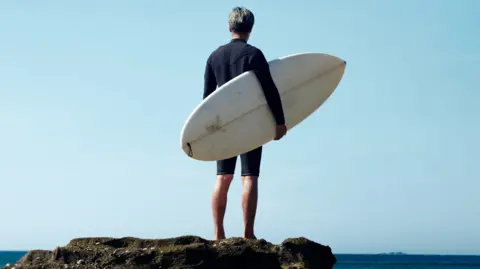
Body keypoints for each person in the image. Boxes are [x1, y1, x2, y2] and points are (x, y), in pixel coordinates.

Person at [203, 6, 287, 240]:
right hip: (249, 123)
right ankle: (248, 234)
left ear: (229, 27)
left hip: (224, 125)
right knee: (249, 177)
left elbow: (207, 100)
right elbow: (270, 90)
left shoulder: (214, 56)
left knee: (223, 177)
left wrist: (207, 131)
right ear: (250, 28)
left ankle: (218, 234)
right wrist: (280, 122)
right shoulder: (254, 55)